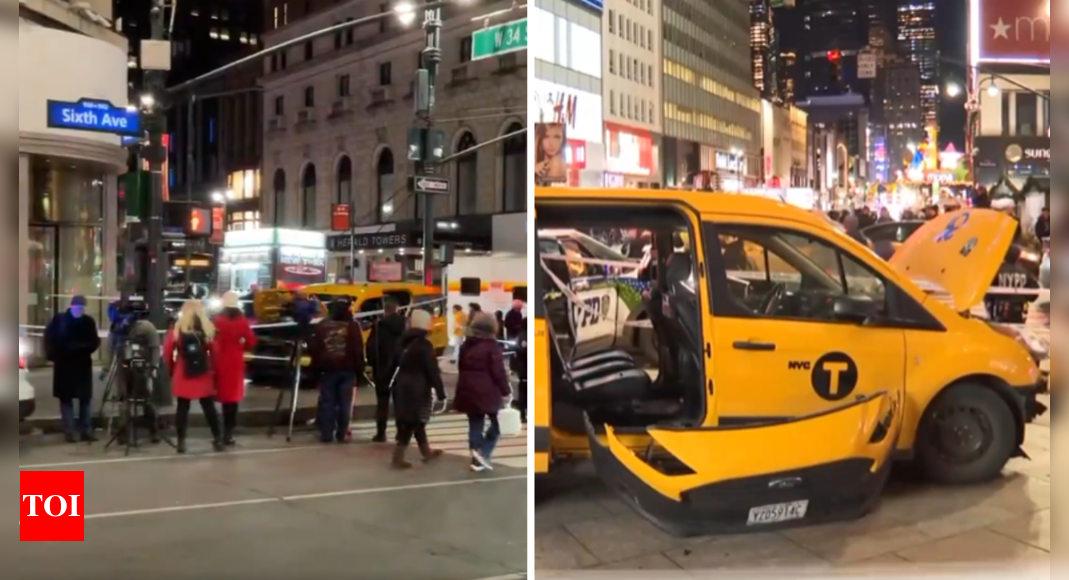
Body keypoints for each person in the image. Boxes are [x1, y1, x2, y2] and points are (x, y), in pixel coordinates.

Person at [454, 313, 512, 471]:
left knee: (475, 424)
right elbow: (498, 372)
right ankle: (484, 452)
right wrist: (506, 391)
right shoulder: (492, 347)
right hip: (487, 392)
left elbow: (460, 367)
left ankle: (476, 460)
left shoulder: (466, 345)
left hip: (467, 390)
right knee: (498, 423)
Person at [390, 310, 447, 468]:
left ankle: (426, 452)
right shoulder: (424, 345)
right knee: (413, 421)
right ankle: (398, 458)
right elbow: (432, 370)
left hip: (402, 386)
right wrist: (441, 392)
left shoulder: (403, 342)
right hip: (419, 388)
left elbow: (394, 363)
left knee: (414, 421)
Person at [164, 301, 223, 453]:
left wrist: (171, 369)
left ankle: (181, 442)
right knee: (209, 407)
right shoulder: (207, 330)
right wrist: (214, 371)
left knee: (182, 407)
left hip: (183, 372)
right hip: (202, 372)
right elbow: (215, 353)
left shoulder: (176, 330)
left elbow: (167, 353)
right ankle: (218, 438)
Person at [44, 295, 101, 443]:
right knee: (70, 400)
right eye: (78, 307)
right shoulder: (62, 321)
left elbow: (94, 342)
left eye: (81, 308)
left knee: (80, 400)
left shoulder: (79, 321)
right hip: (69, 365)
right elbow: (50, 340)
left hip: (75, 366)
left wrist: (78, 348)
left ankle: (81, 431)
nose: (79, 310)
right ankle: (75, 431)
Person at [309, 299, 364, 443]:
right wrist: (360, 371)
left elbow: (316, 349)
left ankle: (326, 434)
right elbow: (358, 350)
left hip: (328, 370)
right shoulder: (352, 326)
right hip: (348, 370)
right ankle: (342, 434)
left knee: (328, 402)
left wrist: (315, 370)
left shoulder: (322, 326)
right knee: (345, 403)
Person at [211, 292, 257, 445]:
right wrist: (240, 345)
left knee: (222, 396)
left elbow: (211, 340)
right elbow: (251, 341)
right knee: (233, 398)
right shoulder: (242, 321)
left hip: (220, 360)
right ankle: (229, 432)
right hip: (236, 361)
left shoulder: (217, 320)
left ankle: (218, 430)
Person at [366, 297, 406, 442]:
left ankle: (380, 433)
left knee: (382, 402)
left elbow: (370, 347)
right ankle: (401, 432)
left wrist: (372, 363)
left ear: (385, 310)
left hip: (382, 369)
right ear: (398, 310)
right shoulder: (405, 326)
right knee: (400, 402)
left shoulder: (378, 326)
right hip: (400, 369)